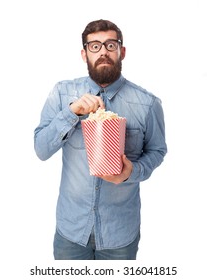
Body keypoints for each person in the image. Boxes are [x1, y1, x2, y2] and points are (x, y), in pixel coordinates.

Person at [34, 19, 167, 260]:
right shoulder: (62, 94)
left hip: (120, 235)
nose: (103, 51)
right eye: (94, 46)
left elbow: (157, 151)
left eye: (110, 45)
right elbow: (41, 149)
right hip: (71, 232)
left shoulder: (148, 104)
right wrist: (71, 112)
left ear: (122, 51)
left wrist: (132, 172)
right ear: (84, 54)